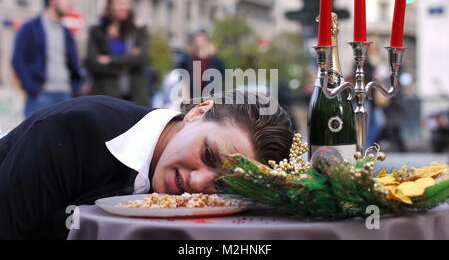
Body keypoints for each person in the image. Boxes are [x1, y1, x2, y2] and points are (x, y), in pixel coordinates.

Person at [0, 90, 294, 240]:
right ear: (197, 112)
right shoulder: (73, 131)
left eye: (225, 183)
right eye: (209, 155)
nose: (198, 182)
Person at [12, 0, 81, 118]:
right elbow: (18, 59)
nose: (71, 3)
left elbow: (73, 64)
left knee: (63, 138)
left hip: (66, 95)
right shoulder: (31, 28)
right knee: (36, 138)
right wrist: (30, 87)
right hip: (40, 96)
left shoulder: (66, 32)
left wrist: (74, 87)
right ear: (52, 0)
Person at [86, 0, 150, 106]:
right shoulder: (97, 31)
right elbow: (92, 63)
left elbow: (142, 58)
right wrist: (127, 62)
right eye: (119, 3)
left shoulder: (138, 30)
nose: (123, 7)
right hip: (108, 95)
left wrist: (111, 60)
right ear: (110, 5)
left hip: (136, 96)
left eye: (126, 2)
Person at [178, 29, 226, 98]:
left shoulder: (216, 61)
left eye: (201, 41)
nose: (199, 44)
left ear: (206, 42)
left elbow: (224, 78)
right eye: (197, 41)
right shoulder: (186, 61)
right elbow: (181, 78)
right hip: (192, 98)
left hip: (211, 99)